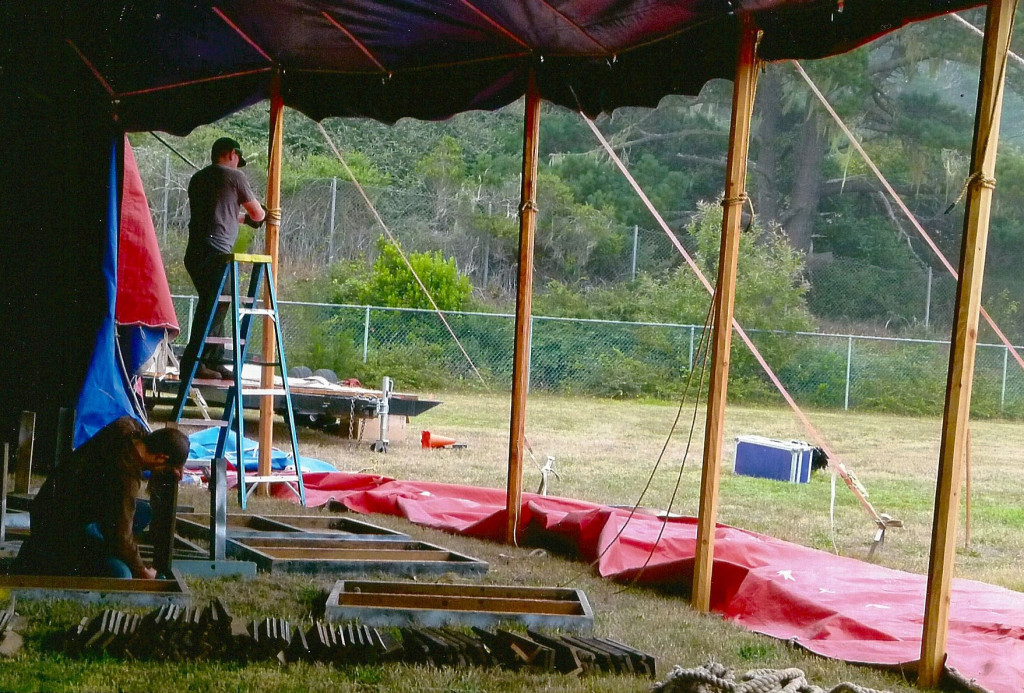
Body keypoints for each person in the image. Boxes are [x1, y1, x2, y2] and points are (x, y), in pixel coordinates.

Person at [13, 418, 190, 579]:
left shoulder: (127, 428)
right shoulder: (125, 476)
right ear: (160, 457)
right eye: (168, 467)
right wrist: (143, 571)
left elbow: (152, 444)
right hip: (59, 527)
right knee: (122, 574)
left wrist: (169, 466)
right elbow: (122, 536)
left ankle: (96, 548)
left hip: (62, 507)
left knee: (143, 512)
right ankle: (39, 556)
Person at [178, 136, 265, 384]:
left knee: (216, 301)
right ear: (230, 153)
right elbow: (257, 214)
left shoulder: (199, 179)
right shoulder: (234, 177)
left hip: (196, 252)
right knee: (217, 303)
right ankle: (194, 362)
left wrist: (243, 219)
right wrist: (257, 217)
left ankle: (214, 361)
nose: (238, 164)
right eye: (238, 158)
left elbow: (222, 212)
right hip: (215, 252)